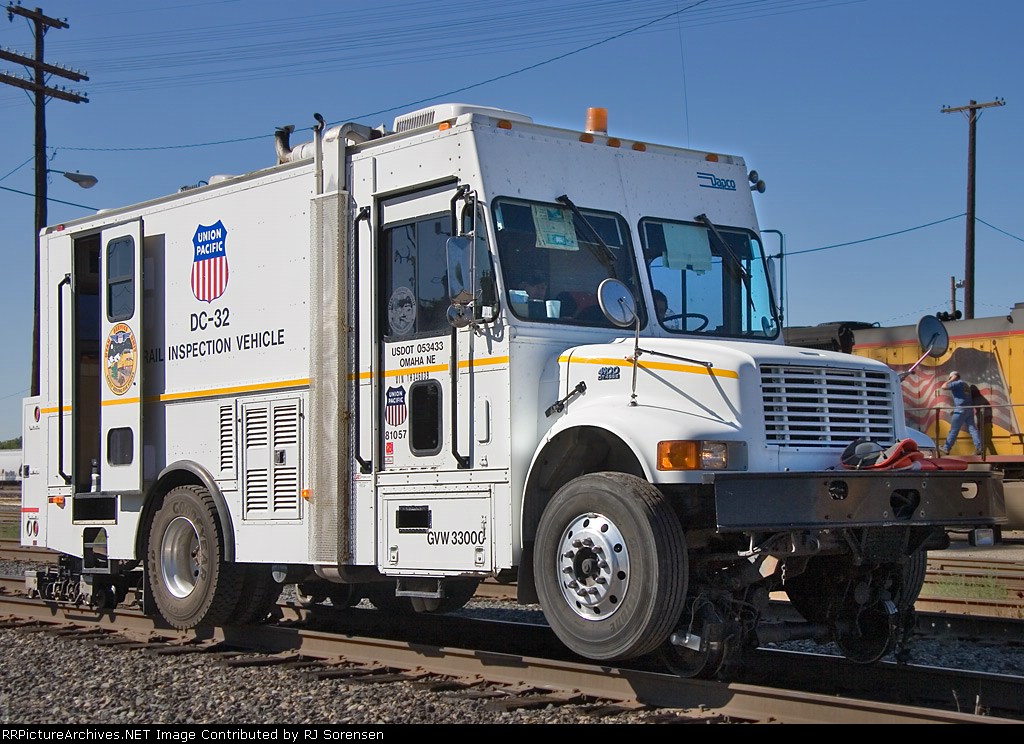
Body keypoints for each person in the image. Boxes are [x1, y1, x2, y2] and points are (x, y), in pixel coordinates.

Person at [939, 371, 983, 455]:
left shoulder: (957, 383)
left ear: (954, 377)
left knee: (954, 430)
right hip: (969, 409)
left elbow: (943, 386)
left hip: (960, 410)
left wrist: (951, 380)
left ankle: (946, 448)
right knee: (973, 429)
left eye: (950, 378)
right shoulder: (965, 384)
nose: (950, 380)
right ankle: (979, 447)